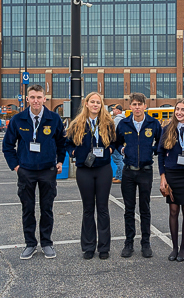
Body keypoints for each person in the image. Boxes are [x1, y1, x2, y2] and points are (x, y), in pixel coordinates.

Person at [2, 84, 66, 260]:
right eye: (32, 97)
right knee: (27, 209)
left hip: (48, 170)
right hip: (26, 171)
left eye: (39, 97)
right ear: (27, 99)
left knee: (47, 209)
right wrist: (16, 167)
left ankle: (46, 243)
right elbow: (7, 146)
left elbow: (62, 142)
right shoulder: (18, 119)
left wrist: (60, 161)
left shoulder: (54, 119)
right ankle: (30, 243)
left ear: (44, 98)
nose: (36, 100)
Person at [65, 92, 116, 260]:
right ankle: (88, 246)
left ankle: (104, 248)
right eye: (92, 102)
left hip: (103, 169)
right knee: (88, 209)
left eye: (98, 103)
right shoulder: (76, 124)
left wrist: (111, 149)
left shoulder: (108, 123)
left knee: (103, 208)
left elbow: (115, 140)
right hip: (84, 170)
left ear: (101, 106)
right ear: (86, 104)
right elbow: (67, 143)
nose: (95, 105)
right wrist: (73, 152)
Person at [114, 93, 162, 258]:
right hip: (128, 171)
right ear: (130, 106)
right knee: (129, 209)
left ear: (145, 106)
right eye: (134, 104)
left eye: (140, 104)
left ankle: (146, 243)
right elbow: (117, 142)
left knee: (145, 208)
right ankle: (128, 243)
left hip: (146, 171)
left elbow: (160, 143)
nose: (137, 107)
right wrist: (122, 149)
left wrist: (151, 151)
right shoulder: (124, 124)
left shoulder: (153, 123)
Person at [157, 99, 184, 262]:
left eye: (183, 110)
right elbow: (160, 153)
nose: (179, 112)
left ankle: (183, 248)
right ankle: (174, 248)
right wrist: (162, 177)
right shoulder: (167, 129)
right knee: (173, 211)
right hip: (171, 174)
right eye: (177, 109)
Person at [111, 104, 126, 184]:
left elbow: (113, 132)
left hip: (115, 141)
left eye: (114, 109)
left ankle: (120, 177)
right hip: (121, 142)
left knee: (118, 160)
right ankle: (117, 176)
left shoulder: (117, 119)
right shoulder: (124, 119)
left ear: (118, 111)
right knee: (119, 158)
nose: (113, 111)